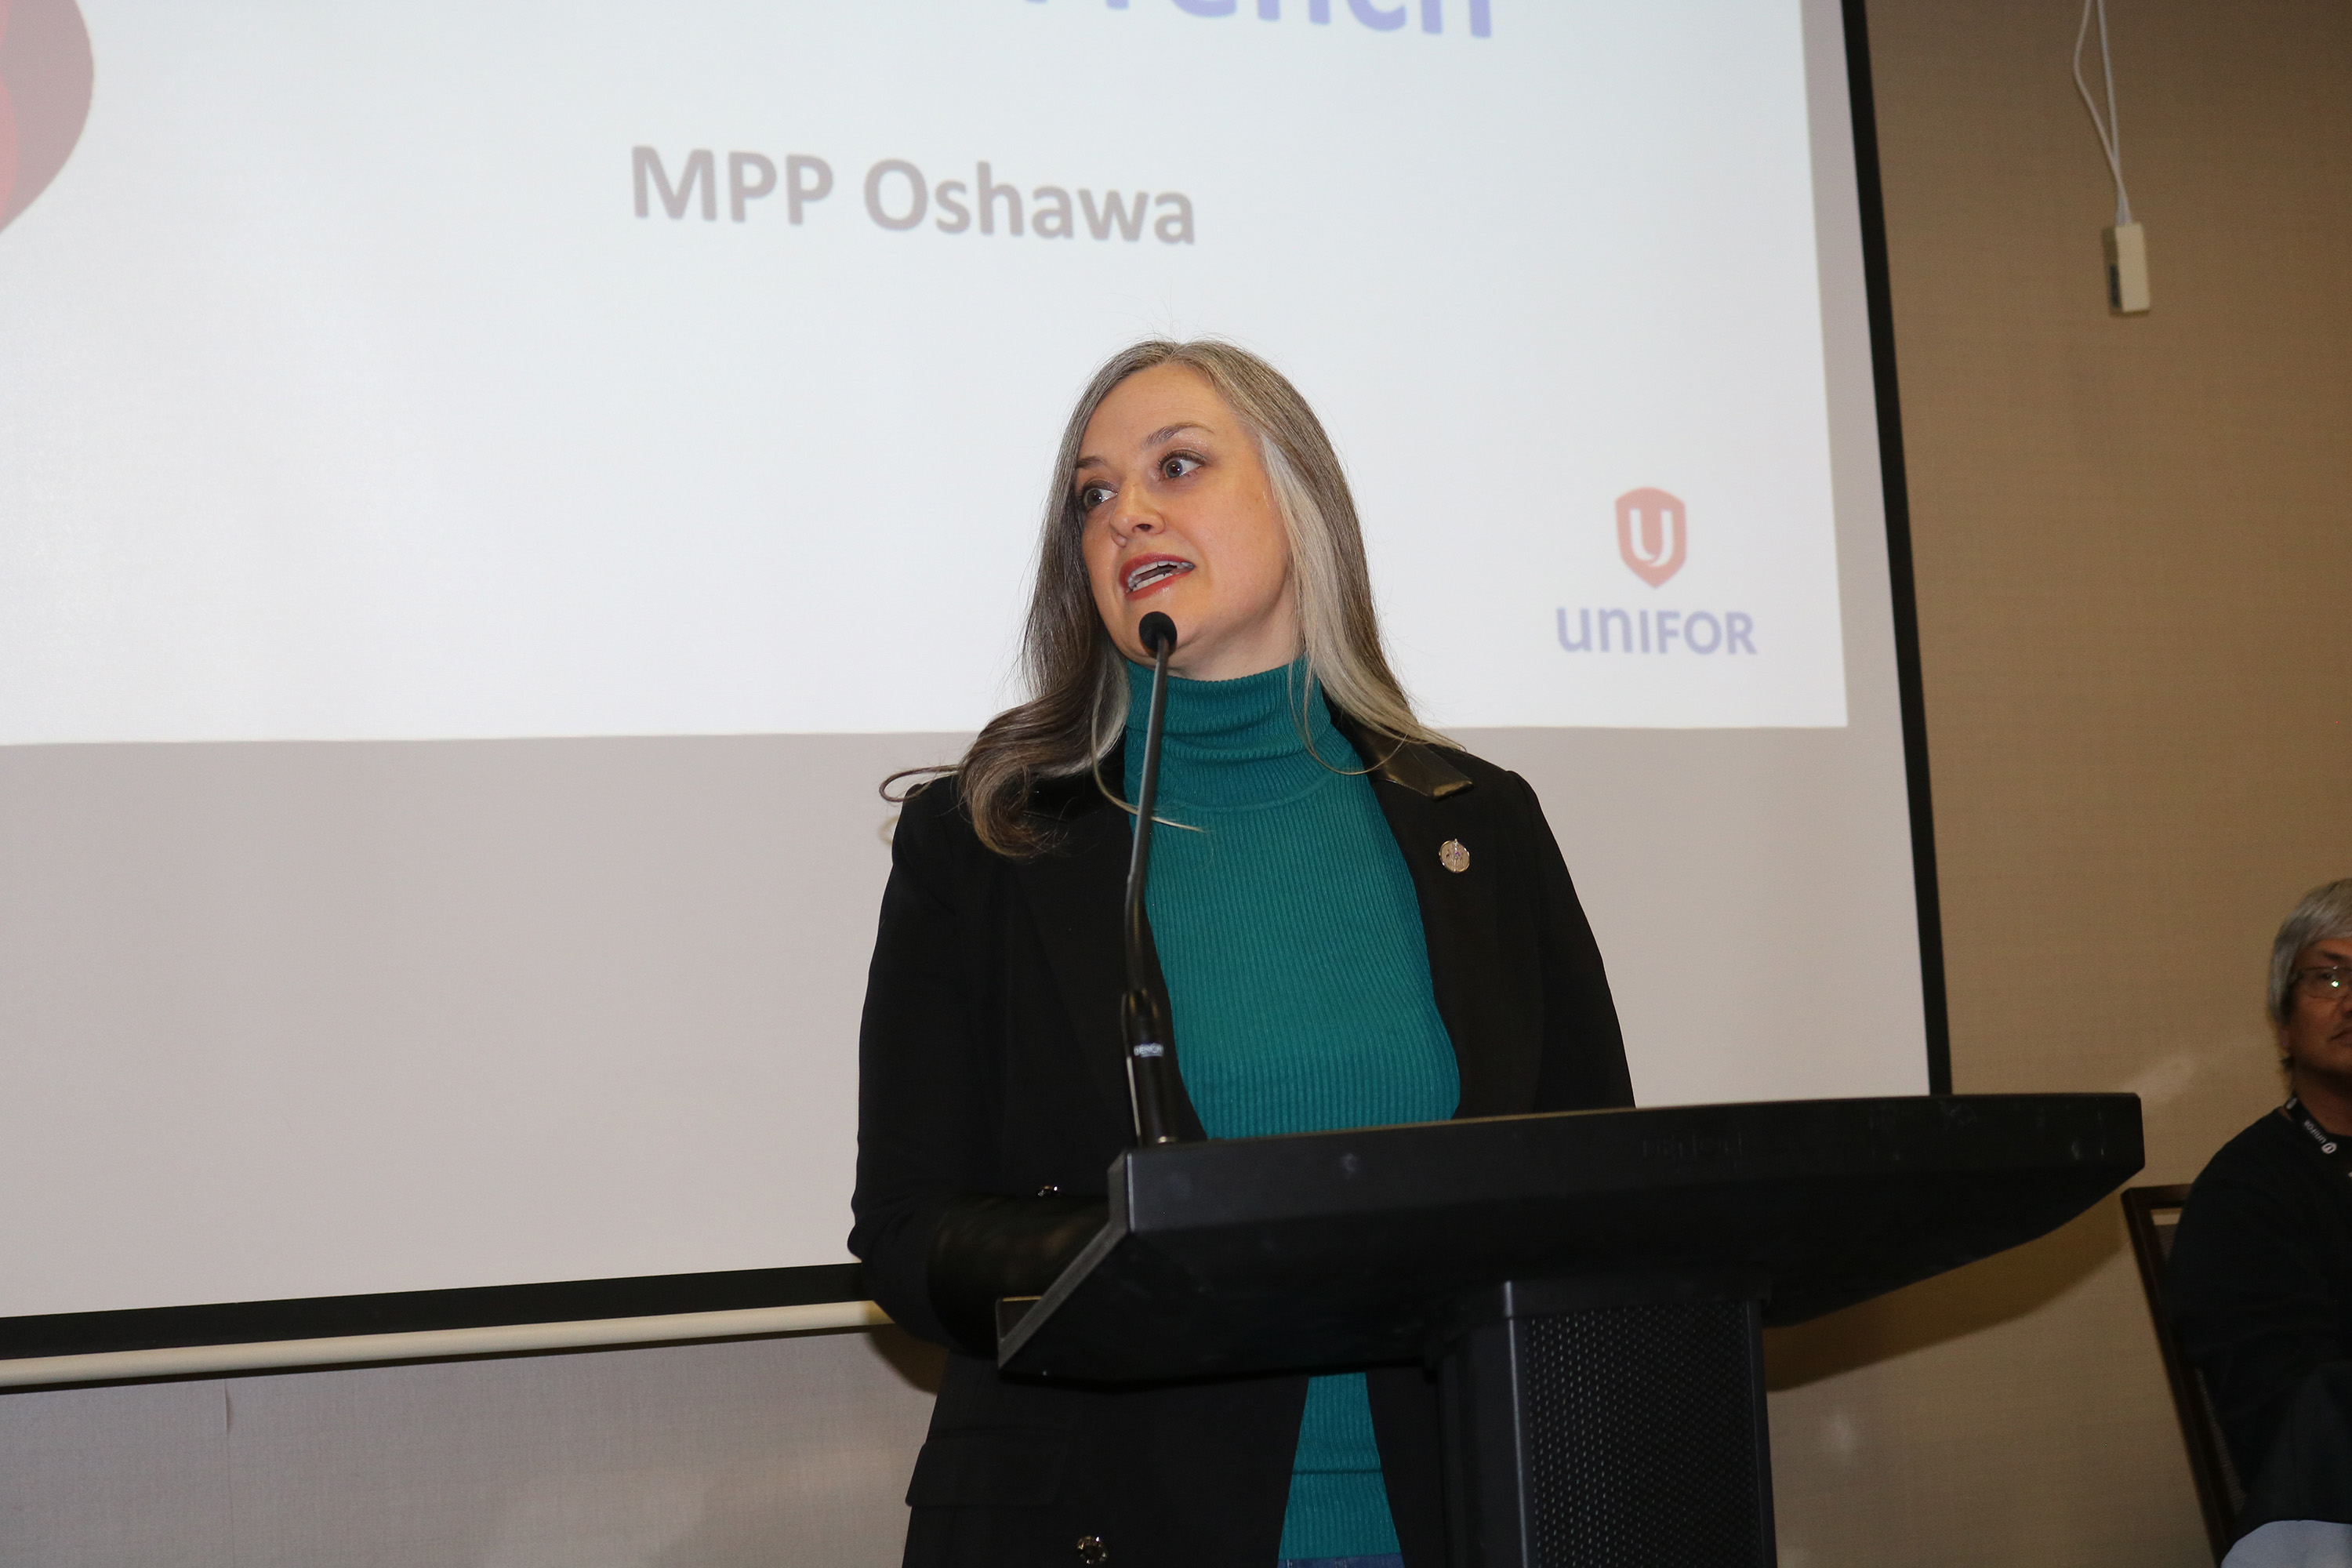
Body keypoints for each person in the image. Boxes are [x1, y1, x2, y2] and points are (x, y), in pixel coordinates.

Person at [848, 339, 1631, 1568]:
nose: (1128, 515)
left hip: (1458, 1515)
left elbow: (1597, 1196)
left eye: (1178, 465)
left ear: (1300, 502)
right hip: (1107, 1520)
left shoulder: (1479, 823)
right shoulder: (985, 841)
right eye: (1094, 495)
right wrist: (1155, 1262)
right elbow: (903, 1231)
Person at [2170, 878, 2352, 1566]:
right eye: (2328, 978)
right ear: (2282, 1021)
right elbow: (2295, 1415)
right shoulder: (2244, 1195)